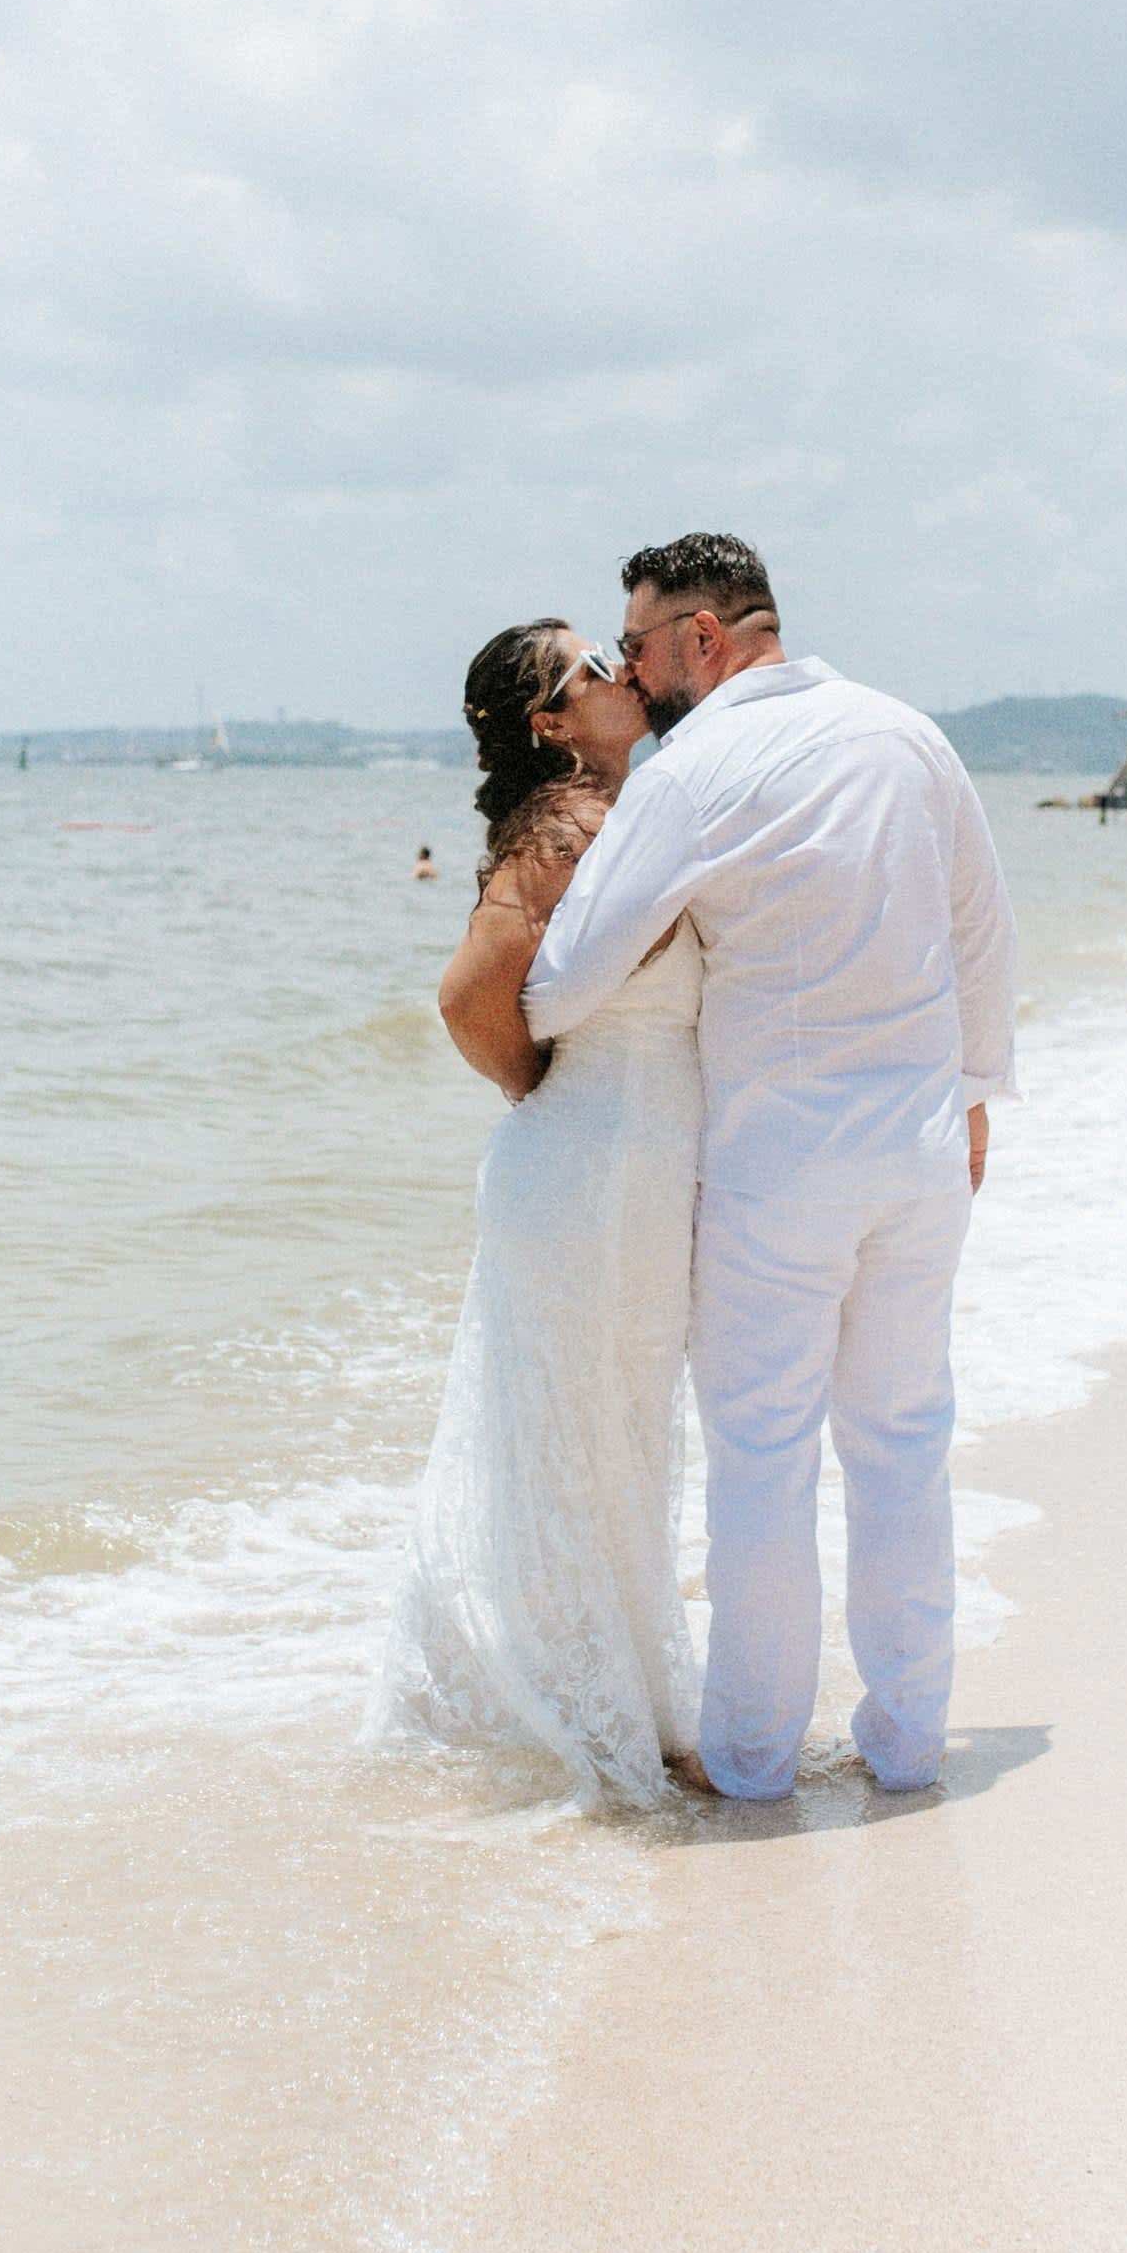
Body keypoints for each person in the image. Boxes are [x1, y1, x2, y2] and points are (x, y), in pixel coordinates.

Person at [525, 535, 1017, 1802]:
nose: (630, 669)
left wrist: (524, 1028)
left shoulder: (696, 766)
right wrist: (974, 1089)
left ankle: (750, 1759)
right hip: (919, 1150)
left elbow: (569, 971)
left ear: (700, 637)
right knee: (904, 1441)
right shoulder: (910, 734)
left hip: (776, 1163)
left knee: (763, 1457)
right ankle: (909, 1743)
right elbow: (980, 922)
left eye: (633, 645)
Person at [364, 620, 702, 1805]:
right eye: (590, 670)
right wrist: (535, 1088)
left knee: (608, 1436)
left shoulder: (596, 813)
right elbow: (465, 996)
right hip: (589, 1166)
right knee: (590, 1440)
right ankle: (604, 1715)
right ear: (550, 724)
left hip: (618, 1164)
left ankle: (620, 1701)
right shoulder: (570, 825)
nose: (620, 674)